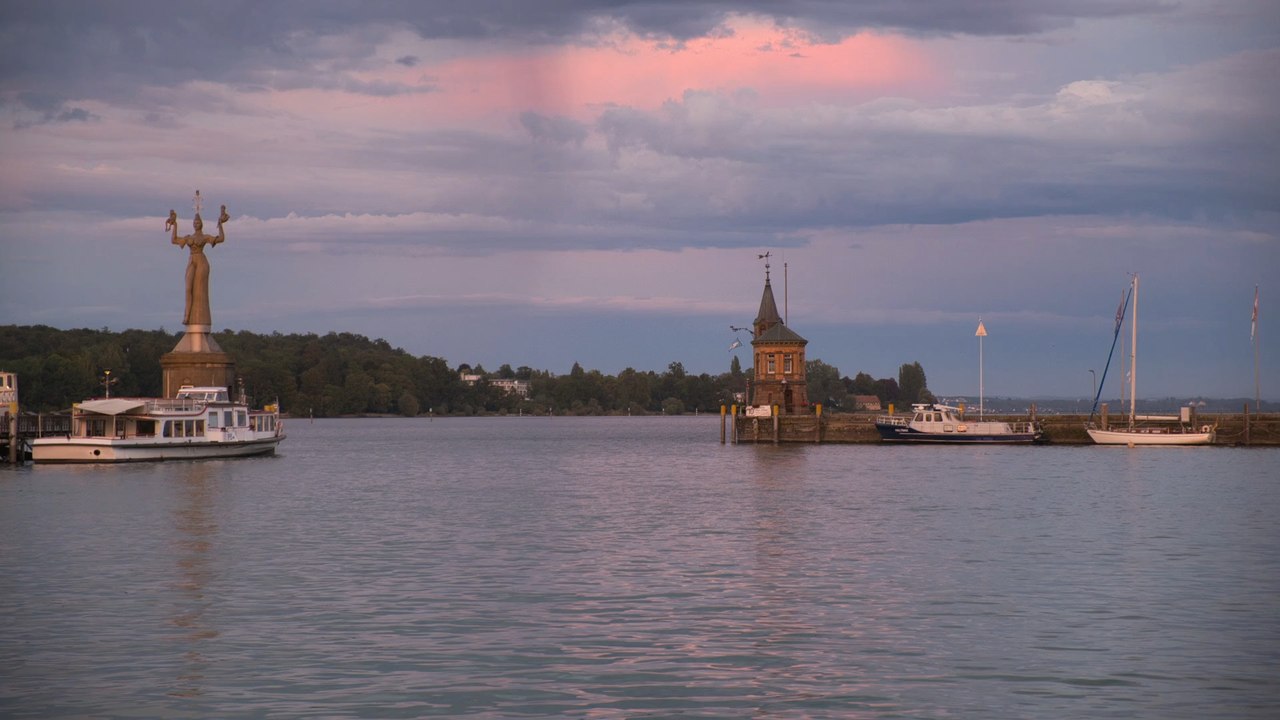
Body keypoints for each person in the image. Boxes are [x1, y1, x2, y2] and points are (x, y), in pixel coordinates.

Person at [167, 204, 229, 326]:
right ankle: (187, 315)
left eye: (198, 222)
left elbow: (221, 239)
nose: (196, 224)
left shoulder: (205, 237)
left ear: (201, 224)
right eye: (194, 223)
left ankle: (197, 318)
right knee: (188, 288)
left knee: (200, 291)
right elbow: (174, 240)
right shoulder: (189, 237)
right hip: (191, 261)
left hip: (201, 261)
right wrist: (175, 225)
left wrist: (220, 224)